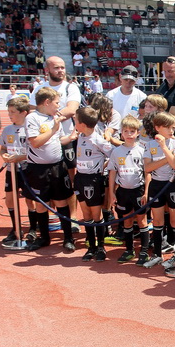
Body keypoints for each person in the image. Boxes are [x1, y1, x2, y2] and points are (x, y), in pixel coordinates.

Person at [22, 87, 75, 251]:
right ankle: (44, 237)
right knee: (41, 204)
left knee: (61, 201)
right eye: (57, 103)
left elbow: (59, 140)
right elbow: (36, 142)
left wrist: (72, 137)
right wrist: (53, 128)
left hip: (57, 167)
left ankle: (68, 238)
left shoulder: (54, 118)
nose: (59, 107)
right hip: (38, 169)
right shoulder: (32, 118)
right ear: (46, 102)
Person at [106, 115, 150, 265]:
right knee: (127, 220)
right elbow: (112, 172)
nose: (129, 134)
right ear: (121, 133)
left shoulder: (142, 150)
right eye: (126, 131)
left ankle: (144, 251)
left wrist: (146, 192)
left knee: (142, 221)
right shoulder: (116, 152)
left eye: (132, 131)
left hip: (138, 190)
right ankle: (129, 250)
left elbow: (147, 172)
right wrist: (112, 193)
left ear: (138, 132)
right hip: (123, 191)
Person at [142, 112, 175, 268]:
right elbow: (147, 168)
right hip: (156, 185)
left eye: (173, 127)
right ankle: (157, 254)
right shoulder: (149, 145)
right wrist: (168, 157)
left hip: (173, 185)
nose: (171, 131)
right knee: (157, 220)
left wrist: (165, 147)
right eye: (167, 127)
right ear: (157, 128)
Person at [72, 107, 113, 261]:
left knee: (96, 214)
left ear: (82, 123)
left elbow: (113, 154)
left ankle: (101, 247)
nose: (74, 122)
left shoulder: (98, 140)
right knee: (86, 214)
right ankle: (91, 246)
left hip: (94, 180)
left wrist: (102, 167)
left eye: (76, 120)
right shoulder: (80, 136)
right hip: (80, 178)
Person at [0, 96, 36, 243]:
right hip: (11, 169)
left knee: (30, 200)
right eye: (9, 111)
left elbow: (36, 151)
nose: (10, 115)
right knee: (9, 199)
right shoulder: (7, 129)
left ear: (23, 113)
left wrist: (20, 157)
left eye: (13, 112)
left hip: (27, 169)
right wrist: (4, 156)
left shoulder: (30, 129)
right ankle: (16, 228)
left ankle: (33, 228)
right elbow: (2, 149)